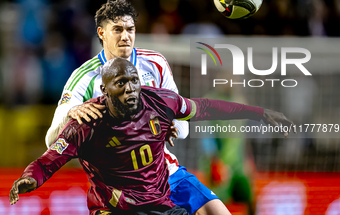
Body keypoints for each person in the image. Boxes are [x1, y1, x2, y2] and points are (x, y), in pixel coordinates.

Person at [10, 58, 294, 215]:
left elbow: (206, 108)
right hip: (114, 209)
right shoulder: (87, 122)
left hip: (158, 203)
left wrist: (258, 112)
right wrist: (29, 178)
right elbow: (50, 159)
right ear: (104, 90)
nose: (131, 88)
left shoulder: (160, 101)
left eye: (134, 80)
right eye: (121, 83)